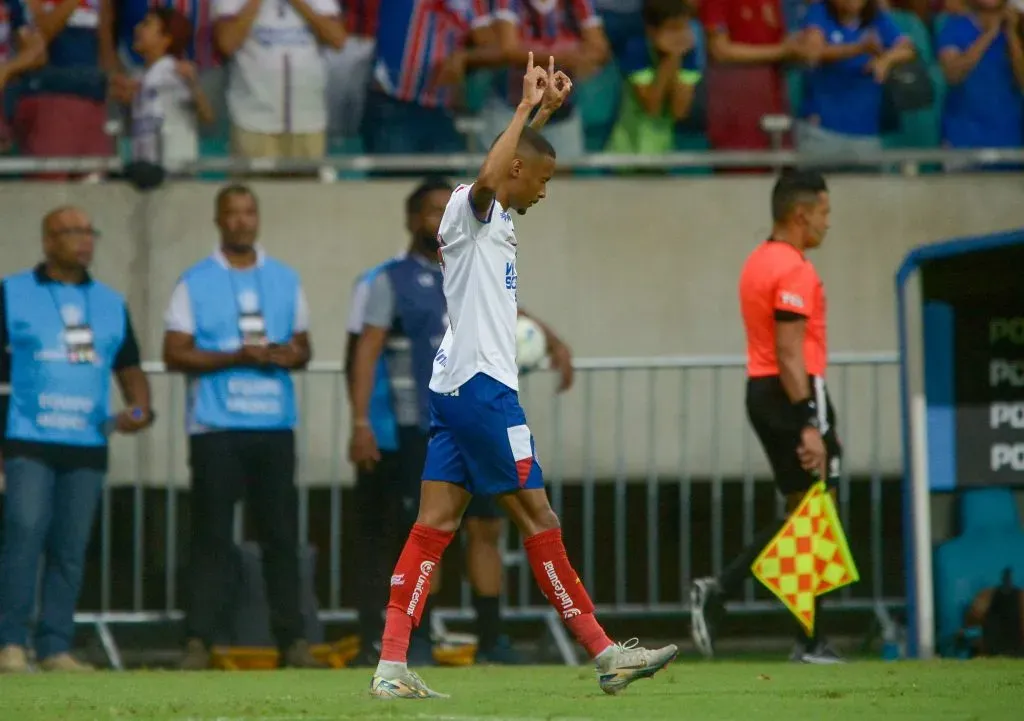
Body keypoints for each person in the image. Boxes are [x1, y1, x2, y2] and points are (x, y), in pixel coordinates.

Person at [369, 53, 677, 699]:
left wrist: (539, 112)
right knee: (538, 516)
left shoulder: (497, 221)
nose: (545, 186)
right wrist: (520, 111)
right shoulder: (470, 208)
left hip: (458, 389)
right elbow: (489, 176)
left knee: (435, 523)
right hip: (483, 392)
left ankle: (392, 666)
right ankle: (603, 651)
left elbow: (504, 170)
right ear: (516, 169)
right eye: (543, 176)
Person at [346, 176, 576, 668]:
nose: (436, 218)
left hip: (471, 411)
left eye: (439, 209)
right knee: (440, 529)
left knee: (485, 529)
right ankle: (421, 640)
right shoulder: (391, 281)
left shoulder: (467, 268)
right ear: (412, 221)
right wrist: (361, 420)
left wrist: (552, 339)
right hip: (425, 420)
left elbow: (505, 309)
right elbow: (366, 349)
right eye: (428, 211)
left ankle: (490, 637)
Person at [162, 184, 324, 670]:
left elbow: (303, 346)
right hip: (217, 428)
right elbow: (174, 351)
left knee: (280, 536)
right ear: (218, 220)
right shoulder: (195, 281)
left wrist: (287, 354)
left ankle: (292, 641)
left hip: (273, 426)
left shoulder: (284, 278)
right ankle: (198, 641)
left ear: (257, 218)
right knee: (211, 537)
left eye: (248, 212)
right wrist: (236, 355)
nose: (241, 221)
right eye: (231, 213)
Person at [689, 169, 844, 665]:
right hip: (791, 394)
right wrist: (809, 420)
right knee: (818, 518)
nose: (827, 224)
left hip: (762, 392)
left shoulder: (758, 261)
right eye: (824, 213)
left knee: (806, 514)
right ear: (801, 213)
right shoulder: (794, 270)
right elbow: (790, 352)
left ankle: (804, 636)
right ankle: (733, 592)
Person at [0, 206, 153, 673]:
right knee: (23, 540)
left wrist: (141, 409)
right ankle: (10, 644)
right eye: (71, 232)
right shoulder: (12, 294)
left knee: (70, 547)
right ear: (47, 241)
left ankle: (54, 646)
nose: (84, 240)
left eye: (89, 231)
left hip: (87, 445)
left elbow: (130, 369)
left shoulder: (109, 302)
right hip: (27, 440)